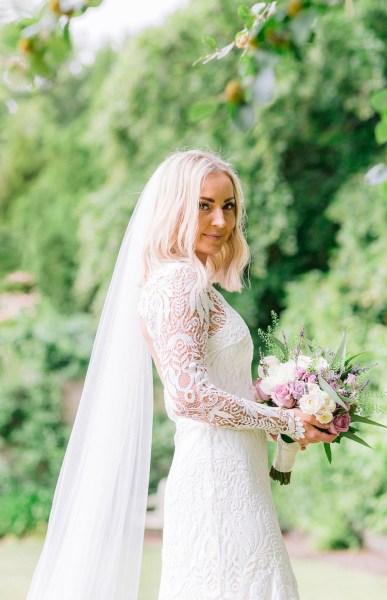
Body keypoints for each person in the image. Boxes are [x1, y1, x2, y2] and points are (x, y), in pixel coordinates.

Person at [26, 149, 336, 600]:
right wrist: (286, 421)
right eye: (204, 205)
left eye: (228, 206)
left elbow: (214, 385)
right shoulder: (177, 283)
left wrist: (284, 398)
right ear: (174, 207)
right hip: (215, 477)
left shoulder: (193, 284)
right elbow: (189, 395)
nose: (220, 221)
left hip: (236, 473)